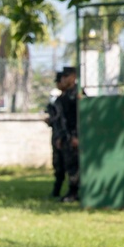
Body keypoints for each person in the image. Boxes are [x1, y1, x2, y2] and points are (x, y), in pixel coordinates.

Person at [57, 66, 80, 202]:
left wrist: (76, 136)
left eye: (66, 77)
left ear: (73, 77)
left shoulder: (77, 94)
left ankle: (74, 193)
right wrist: (61, 136)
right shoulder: (65, 96)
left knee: (75, 165)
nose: (63, 80)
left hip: (75, 135)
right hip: (66, 136)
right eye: (62, 77)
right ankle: (72, 191)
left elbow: (79, 117)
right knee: (69, 165)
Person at [44, 70, 66, 198]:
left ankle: (73, 192)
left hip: (65, 137)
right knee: (58, 166)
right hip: (57, 136)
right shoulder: (57, 102)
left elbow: (62, 118)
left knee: (70, 166)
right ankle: (56, 191)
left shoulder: (68, 98)